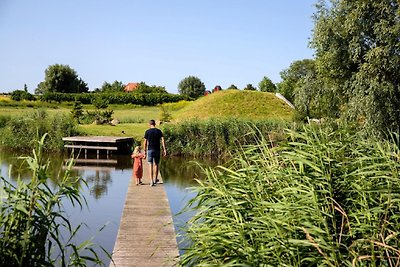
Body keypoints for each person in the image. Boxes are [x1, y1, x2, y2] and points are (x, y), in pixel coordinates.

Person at [143, 119, 166, 186]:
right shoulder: (159, 131)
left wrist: (144, 151)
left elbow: (145, 142)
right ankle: (155, 179)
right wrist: (164, 149)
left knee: (150, 164)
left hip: (150, 149)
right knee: (156, 164)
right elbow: (163, 140)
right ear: (155, 124)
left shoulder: (147, 131)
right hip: (157, 150)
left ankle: (151, 181)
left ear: (149, 124)